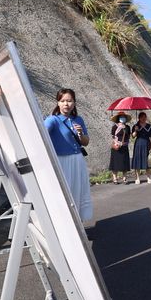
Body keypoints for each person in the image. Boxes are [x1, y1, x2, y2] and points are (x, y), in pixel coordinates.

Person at [43, 88, 93, 221]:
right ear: (58, 103)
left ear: (74, 103)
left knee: (78, 191)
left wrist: (80, 134)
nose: (66, 104)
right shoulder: (52, 120)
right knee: (64, 193)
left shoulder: (78, 119)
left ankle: (78, 226)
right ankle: (65, 225)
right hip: (61, 161)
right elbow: (42, 133)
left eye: (69, 101)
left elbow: (86, 142)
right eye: (62, 101)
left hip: (77, 160)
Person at [131, 112, 151, 184]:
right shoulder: (136, 126)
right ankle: (137, 178)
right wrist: (135, 130)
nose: (143, 118)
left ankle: (149, 177)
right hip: (138, 145)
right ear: (139, 118)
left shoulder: (149, 126)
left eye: (145, 117)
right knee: (137, 161)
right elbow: (133, 136)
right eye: (142, 117)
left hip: (147, 144)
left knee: (148, 162)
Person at [109, 111, 132, 184]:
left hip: (124, 146)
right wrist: (116, 143)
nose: (123, 118)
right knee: (115, 163)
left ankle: (124, 178)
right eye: (121, 117)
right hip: (116, 147)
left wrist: (124, 143)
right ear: (118, 118)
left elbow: (129, 137)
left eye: (124, 117)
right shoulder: (115, 127)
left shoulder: (128, 127)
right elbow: (113, 136)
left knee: (124, 163)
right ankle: (115, 178)